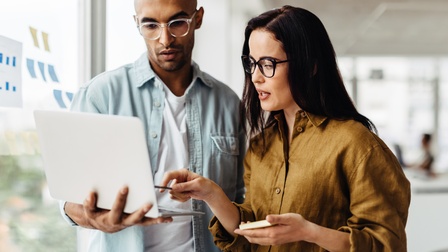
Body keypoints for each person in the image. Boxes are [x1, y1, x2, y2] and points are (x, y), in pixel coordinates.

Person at [160, 5, 411, 251]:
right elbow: (252, 232)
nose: (256, 77)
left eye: (268, 64)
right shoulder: (261, 146)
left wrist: (309, 232)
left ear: (310, 66)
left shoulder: (357, 144)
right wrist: (211, 194)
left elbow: (386, 244)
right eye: (252, 63)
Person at [59, 0, 245, 251]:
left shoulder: (229, 103)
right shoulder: (99, 95)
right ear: (137, 24)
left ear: (198, 19)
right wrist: (95, 219)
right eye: (150, 25)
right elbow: (68, 197)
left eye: (178, 23)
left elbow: (243, 201)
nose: (165, 39)